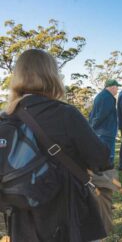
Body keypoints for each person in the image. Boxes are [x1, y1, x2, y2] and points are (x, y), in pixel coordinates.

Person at [3, 49, 111, 241]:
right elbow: (101, 159)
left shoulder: (5, 118)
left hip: (21, 222)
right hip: (67, 217)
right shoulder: (65, 114)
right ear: (52, 76)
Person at [89, 79, 120, 165]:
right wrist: (92, 127)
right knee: (108, 156)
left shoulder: (101, 95)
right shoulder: (108, 97)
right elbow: (101, 115)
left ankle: (103, 174)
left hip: (101, 131)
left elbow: (93, 113)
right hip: (106, 132)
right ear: (112, 87)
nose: (117, 90)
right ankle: (107, 176)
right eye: (117, 88)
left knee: (101, 155)